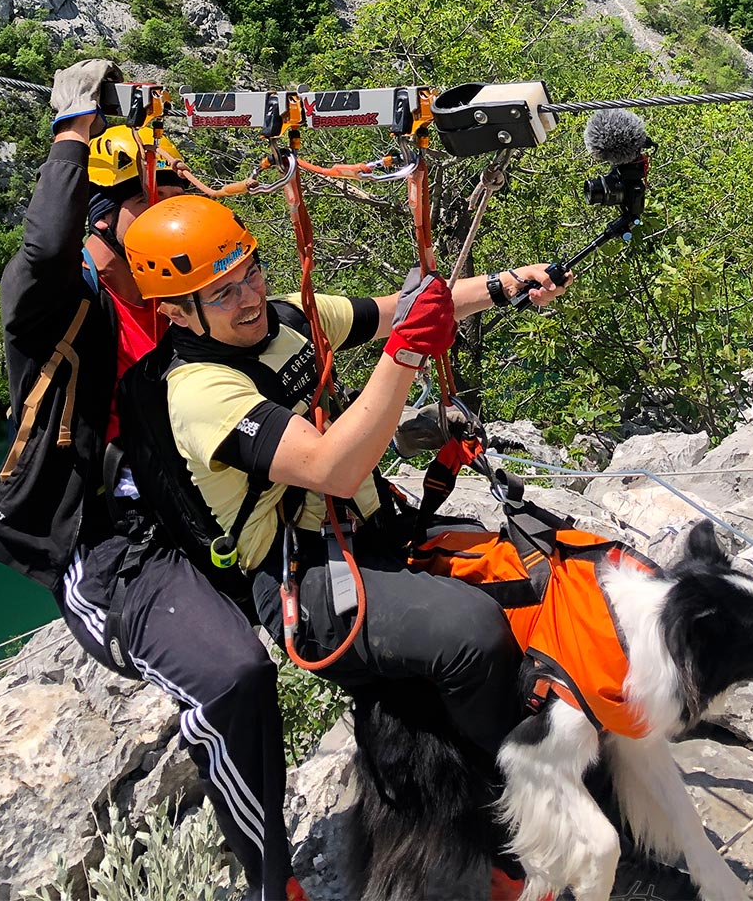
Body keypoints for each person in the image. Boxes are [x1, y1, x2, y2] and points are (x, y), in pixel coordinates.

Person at [121, 195, 572, 893]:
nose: (248, 297)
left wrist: (508, 284)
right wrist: (407, 353)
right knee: (471, 633)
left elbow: (398, 307)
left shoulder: (290, 320)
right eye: (223, 292)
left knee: (529, 579)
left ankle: (521, 784)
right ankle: (526, 826)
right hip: (306, 581)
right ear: (178, 313)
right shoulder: (201, 391)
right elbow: (333, 465)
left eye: (251, 272)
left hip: (369, 532)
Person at [0, 61, 302, 901]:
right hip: (108, 543)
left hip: (189, 504)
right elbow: (41, 252)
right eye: (143, 215)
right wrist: (74, 130)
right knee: (235, 676)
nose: (165, 231)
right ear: (103, 229)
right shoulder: (62, 306)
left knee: (350, 604)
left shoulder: (176, 299)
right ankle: (275, 883)